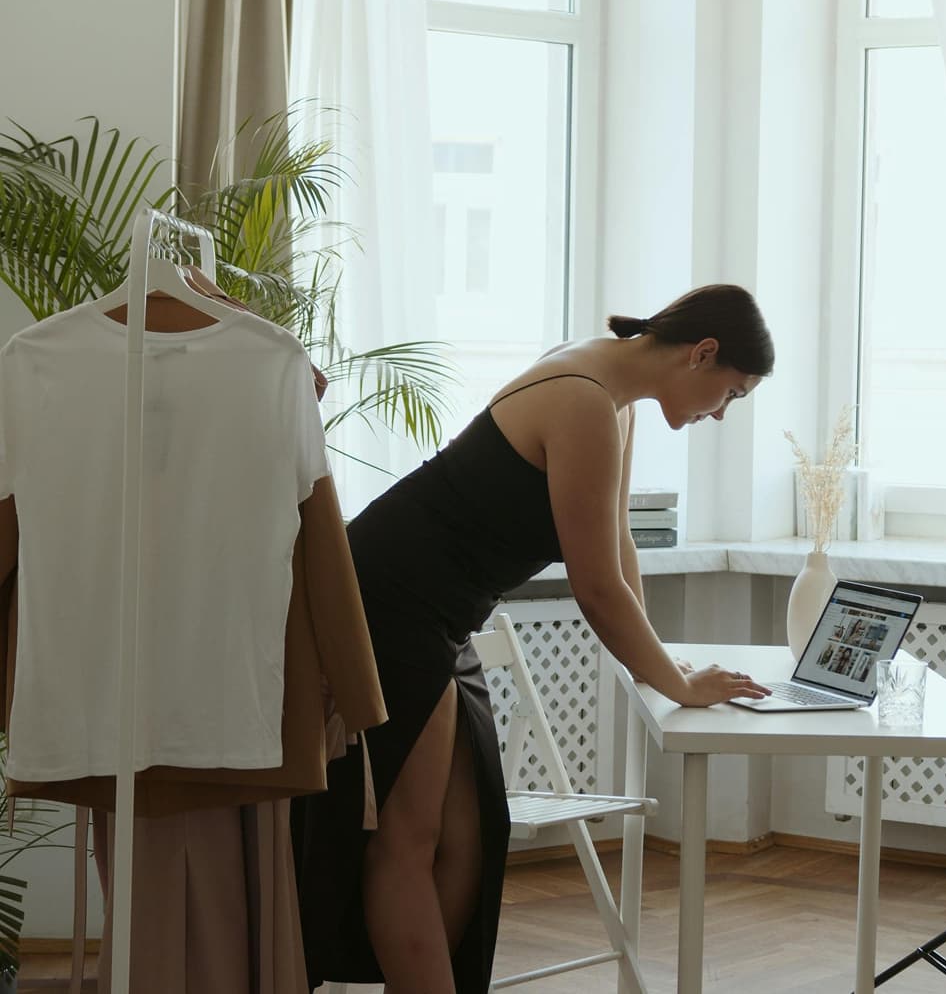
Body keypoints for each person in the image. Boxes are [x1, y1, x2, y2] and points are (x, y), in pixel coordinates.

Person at [292, 283, 775, 993]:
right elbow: (595, 589)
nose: (722, 413)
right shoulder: (581, 398)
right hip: (388, 607)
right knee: (407, 841)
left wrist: (660, 660)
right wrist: (675, 684)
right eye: (731, 392)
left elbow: (617, 547)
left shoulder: (610, 397)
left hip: (437, 614)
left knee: (469, 837)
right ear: (702, 354)